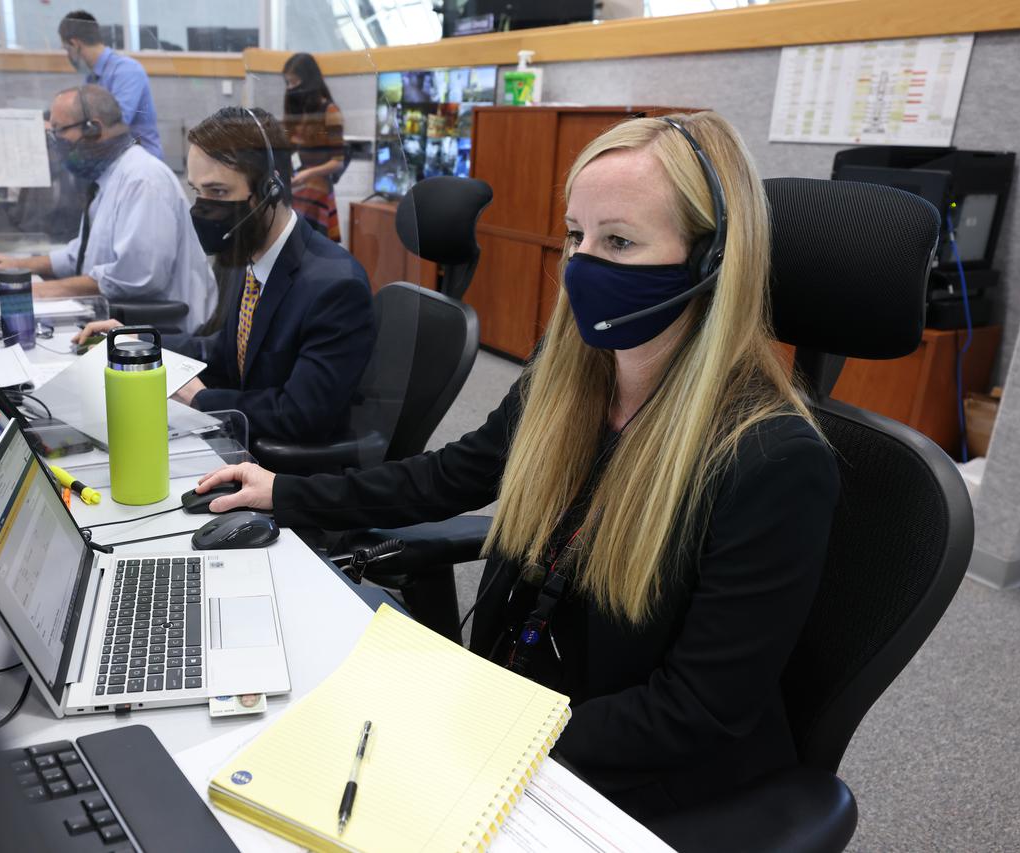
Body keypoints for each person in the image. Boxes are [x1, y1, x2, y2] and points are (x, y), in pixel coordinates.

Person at [187, 112, 841, 820]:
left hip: (628, 782)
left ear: (711, 261)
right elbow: (446, 477)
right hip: (518, 712)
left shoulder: (772, 460)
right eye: (575, 235)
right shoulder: (573, 380)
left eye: (618, 241)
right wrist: (284, 492)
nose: (583, 264)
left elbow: (696, 708)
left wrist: (486, 738)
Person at [75, 107, 375, 447]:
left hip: (282, 472)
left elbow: (301, 414)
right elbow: (227, 350)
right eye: (197, 191)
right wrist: (139, 341)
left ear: (270, 189)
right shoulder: (248, 257)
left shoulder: (335, 286)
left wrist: (200, 400)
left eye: (217, 192)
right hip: (238, 441)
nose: (203, 207)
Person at [0, 85, 215, 333]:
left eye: (59, 131)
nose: (56, 142)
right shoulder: (109, 179)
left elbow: (136, 277)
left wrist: (41, 291)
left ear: (92, 128)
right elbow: (81, 254)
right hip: (119, 321)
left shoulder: (142, 180)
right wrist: (19, 265)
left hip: (164, 334)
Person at [58, 10, 164, 160]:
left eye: (66, 49)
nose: (68, 56)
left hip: (140, 161)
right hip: (112, 157)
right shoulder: (91, 77)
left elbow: (115, 124)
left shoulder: (127, 71)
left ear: (75, 44)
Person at [282, 53, 345, 242]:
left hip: (315, 193)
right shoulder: (298, 112)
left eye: (294, 82)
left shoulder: (330, 111)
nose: (291, 88)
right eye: (288, 83)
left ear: (308, 80)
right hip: (297, 188)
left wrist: (306, 175)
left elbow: (338, 162)